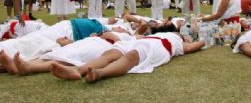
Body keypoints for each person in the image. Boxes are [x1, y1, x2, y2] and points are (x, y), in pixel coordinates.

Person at [0, 18, 111, 75]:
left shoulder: (121, 37)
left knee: (19, 48)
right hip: (62, 30)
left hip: (64, 38)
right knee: (19, 44)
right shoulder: (113, 23)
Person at [50, 31, 205, 82]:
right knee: (111, 53)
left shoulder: (179, 42)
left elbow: (196, 45)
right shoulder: (161, 33)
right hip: (142, 40)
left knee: (132, 56)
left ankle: (100, 73)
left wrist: (201, 40)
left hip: (159, 47)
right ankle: (78, 69)